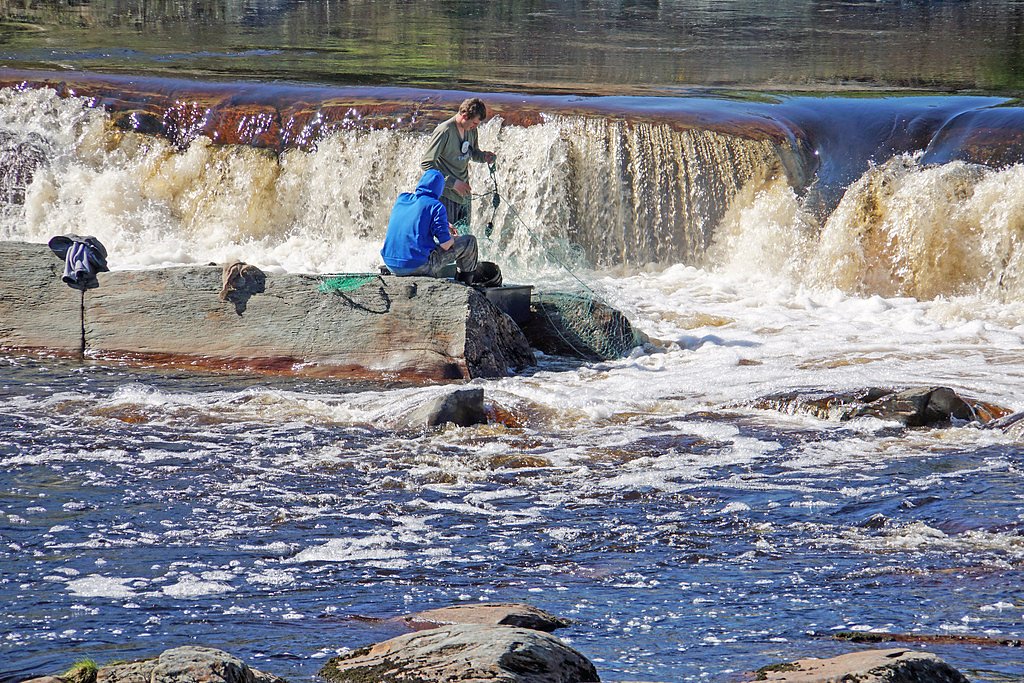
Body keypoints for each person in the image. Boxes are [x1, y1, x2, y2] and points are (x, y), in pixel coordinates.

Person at [380, 168, 478, 283]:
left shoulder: (402, 198)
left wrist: (445, 224)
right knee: (470, 242)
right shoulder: (436, 206)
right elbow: (445, 245)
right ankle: (465, 284)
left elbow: (416, 216)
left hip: (390, 264)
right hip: (417, 267)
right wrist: (452, 238)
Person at [420, 97, 497, 230]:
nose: (475, 127)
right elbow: (426, 164)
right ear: (464, 115)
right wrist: (453, 183)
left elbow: (473, 152)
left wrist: (484, 156)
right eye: (474, 123)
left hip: (464, 196)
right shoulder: (444, 131)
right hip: (445, 195)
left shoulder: (471, 130)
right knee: (447, 237)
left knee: (464, 236)